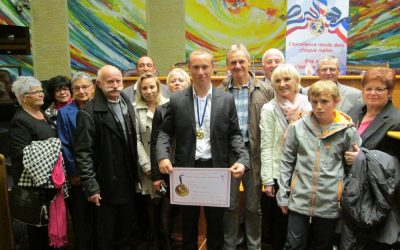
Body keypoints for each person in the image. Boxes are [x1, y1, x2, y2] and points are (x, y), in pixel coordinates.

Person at [156, 50, 250, 250]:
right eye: (196, 67)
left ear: (213, 68)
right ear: (189, 69)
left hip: (215, 170)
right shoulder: (177, 100)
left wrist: (242, 159)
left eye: (205, 67)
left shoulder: (225, 100)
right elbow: (165, 132)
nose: (200, 72)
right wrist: (162, 156)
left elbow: (234, 134)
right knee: (188, 224)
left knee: (215, 224)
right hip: (186, 170)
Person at [276, 80, 361, 250]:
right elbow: (287, 162)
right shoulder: (298, 127)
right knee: (293, 244)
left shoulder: (347, 130)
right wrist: (283, 194)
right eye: (314, 102)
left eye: (324, 101)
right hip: (299, 198)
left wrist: (358, 159)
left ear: (336, 102)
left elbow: (355, 169)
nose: (319, 107)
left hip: (329, 201)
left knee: (322, 245)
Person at [74, 65, 139, 250]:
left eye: (118, 81)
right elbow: (83, 152)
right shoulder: (89, 112)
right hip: (105, 183)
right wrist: (91, 186)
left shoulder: (126, 103)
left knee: (126, 229)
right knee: (106, 233)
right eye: (110, 81)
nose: (115, 85)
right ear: (98, 84)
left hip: (126, 178)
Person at [220, 44, 273, 250]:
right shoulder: (220, 91)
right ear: (227, 65)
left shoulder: (265, 90)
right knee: (230, 205)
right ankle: (229, 246)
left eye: (242, 61)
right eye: (233, 62)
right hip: (229, 154)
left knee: (253, 206)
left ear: (249, 63)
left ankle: (254, 246)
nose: (238, 65)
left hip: (255, 153)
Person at [342, 67, 400, 249]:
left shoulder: (396, 120)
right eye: (368, 88)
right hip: (350, 188)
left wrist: (362, 159)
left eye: (379, 89)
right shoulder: (356, 110)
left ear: (389, 92)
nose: (372, 93)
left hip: (375, 194)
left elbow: (395, 163)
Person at [259, 64, 311, 250]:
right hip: (278, 174)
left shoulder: (309, 105)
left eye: (287, 79)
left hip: (305, 173)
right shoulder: (269, 108)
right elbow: (265, 146)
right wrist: (267, 180)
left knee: (303, 225)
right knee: (278, 228)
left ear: (297, 82)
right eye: (277, 81)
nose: (282, 84)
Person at [8, 76, 58, 250]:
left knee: (51, 227)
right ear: (22, 97)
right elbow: (22, 155)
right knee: (39, 231)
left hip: (51, 181)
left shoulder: (40, 112)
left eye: (40, 91)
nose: (41, 95)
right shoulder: (20, 121)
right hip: (36, 187)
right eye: (35, 92)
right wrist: (54, 147)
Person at [150, 67, 191, 250]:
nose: (177, 83)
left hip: (191, 165)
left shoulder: (196, 106)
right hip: (169, 166)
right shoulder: (161, 110)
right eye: (173, 81)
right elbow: (155, 142)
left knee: (189, 207)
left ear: (188, 83)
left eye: (180, 80)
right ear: (168, 86)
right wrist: (157, 175)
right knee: (168, 207)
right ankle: (166, 243)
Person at [56, 72, 95, 250]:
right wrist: (74, 172)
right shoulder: (65, 112)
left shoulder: (100, 107)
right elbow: (64, 144)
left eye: (85, 87)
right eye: (77, 88)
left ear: (92, 88)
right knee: (82, 217)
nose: (81, 91)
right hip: (79, 173)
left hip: (101, 170)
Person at [133, 72, 168, 249]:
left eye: (152, 87)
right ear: (140, 90)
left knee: (165, 205)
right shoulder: (135, 109)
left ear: (158, 88)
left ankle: (165, 237)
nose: (149, 91)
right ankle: (154, 240)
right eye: (144, 88)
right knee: (150, 205)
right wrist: (146, 165)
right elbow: (136, 139)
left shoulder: (168, 106)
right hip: (146, 164)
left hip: (166, 163)